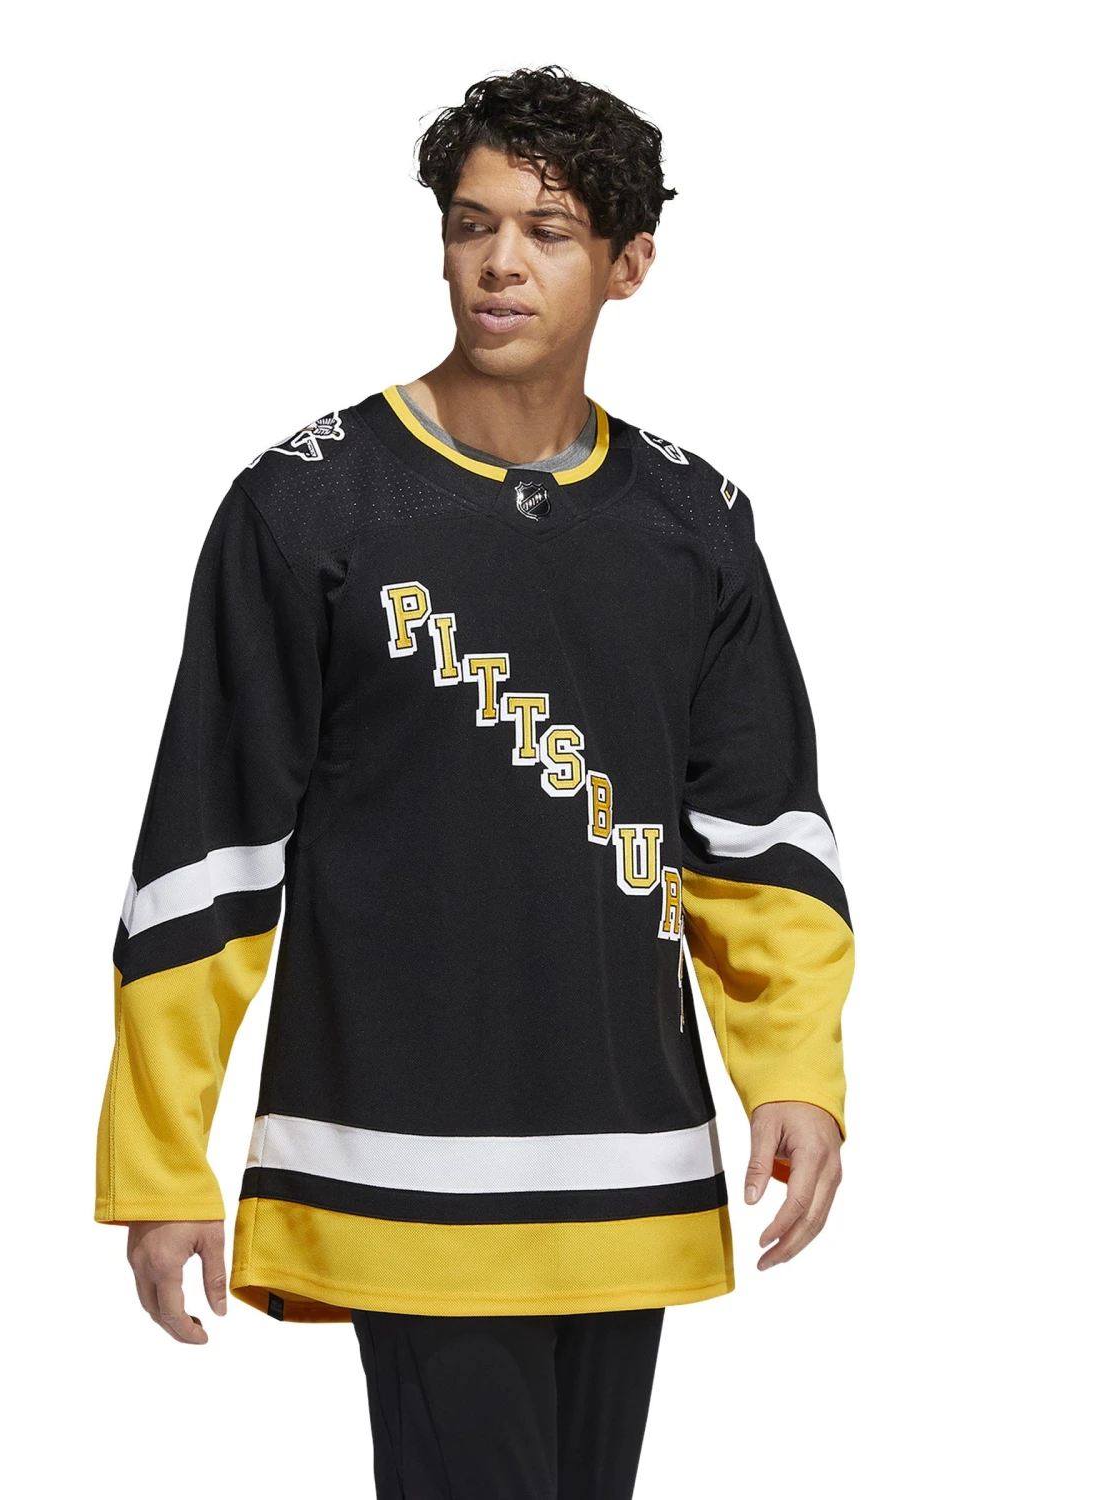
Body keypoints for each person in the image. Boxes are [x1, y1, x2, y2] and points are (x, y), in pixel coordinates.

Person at [95, 64, 853, 1500]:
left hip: (626, 1167)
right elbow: (210, 846)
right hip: (404, 1164)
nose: (499, 261)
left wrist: (796, 1074)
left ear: (630, 263)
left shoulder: (692, 522)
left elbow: (758, 837)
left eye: (548, 231)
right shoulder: (308, 503)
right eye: (471, 224)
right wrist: (159, 1160)